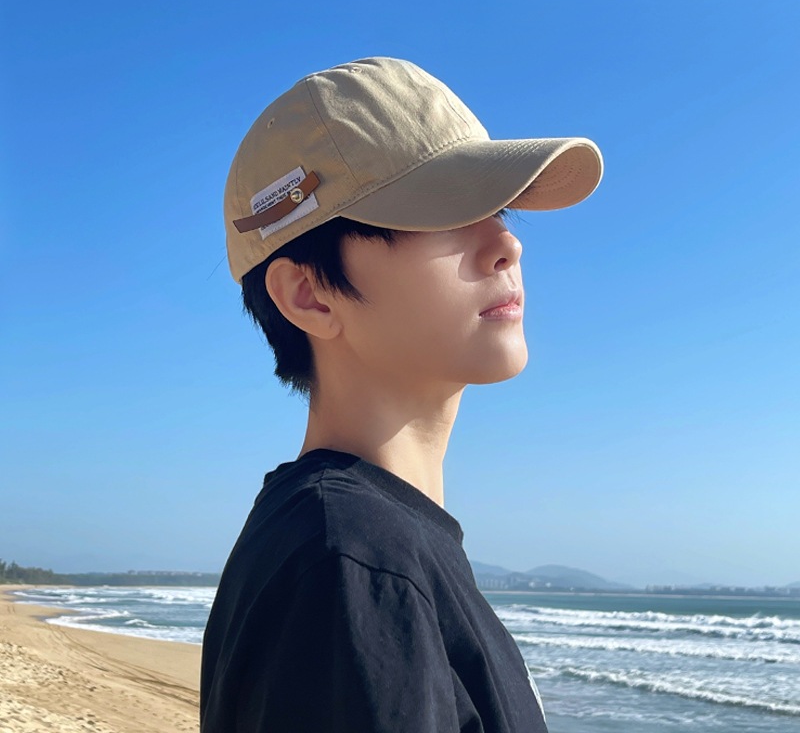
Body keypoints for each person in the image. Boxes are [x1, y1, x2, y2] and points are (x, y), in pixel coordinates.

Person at [200, 56, 602, 732]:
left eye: (498, 209)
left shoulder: (354, 543)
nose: (507, 243)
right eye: (446, 210)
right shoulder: (352, 565)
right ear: (309, 294)